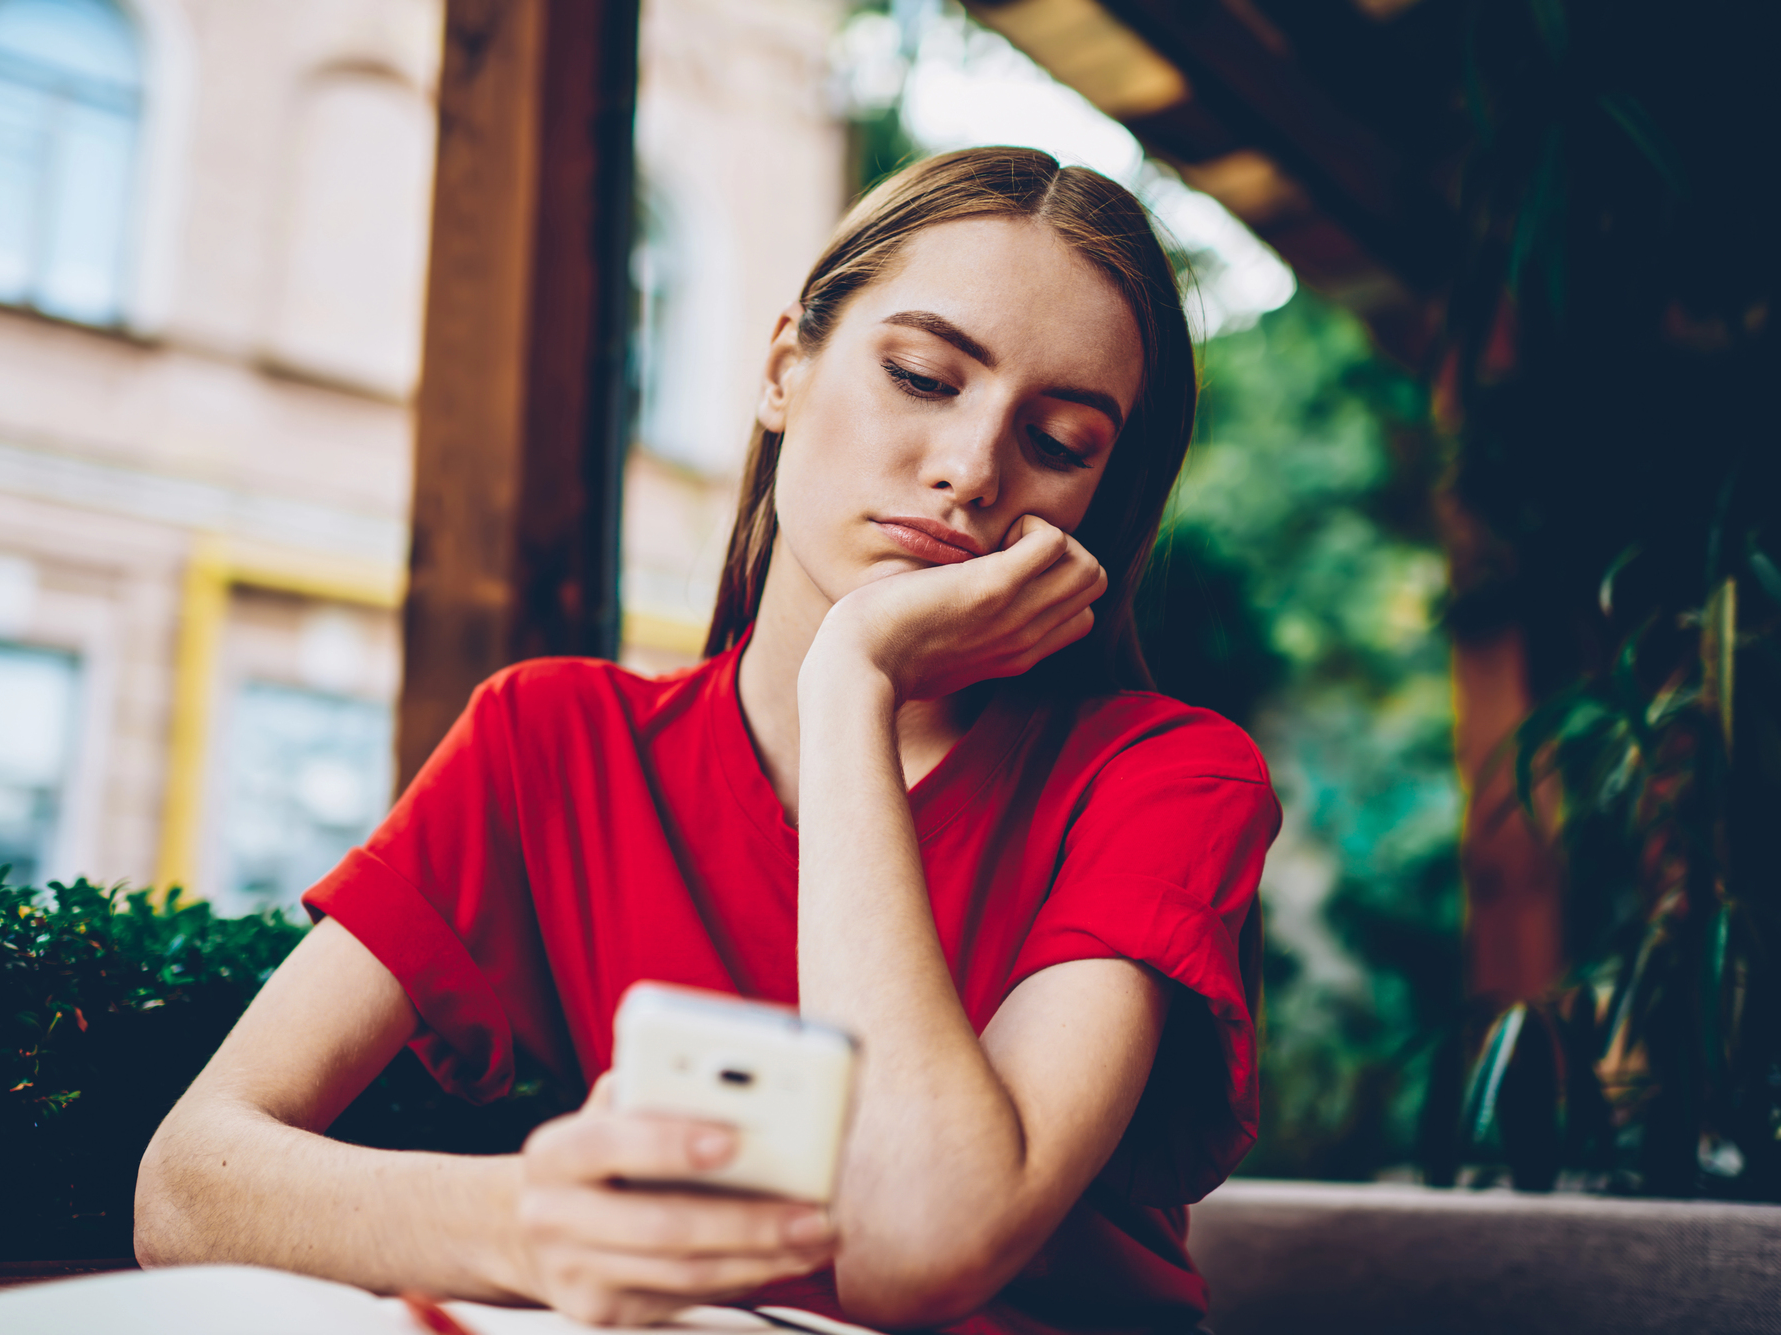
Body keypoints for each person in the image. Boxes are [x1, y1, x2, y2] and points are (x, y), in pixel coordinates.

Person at [135, 147, 1280, 1335]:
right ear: (786, 365)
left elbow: (914, 1246)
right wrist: (533, 1222)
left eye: (1059, 442)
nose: (969, 471)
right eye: (923, 376)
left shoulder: (1166, 780)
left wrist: (854, 681)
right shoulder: (554, 741)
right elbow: (184, 1185)